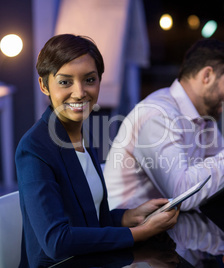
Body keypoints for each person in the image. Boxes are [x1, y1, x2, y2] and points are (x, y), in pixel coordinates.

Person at [15, 34, 180, 267]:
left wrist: (129, 216)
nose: (80, 92)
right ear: (44, 85)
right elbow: (56, 241)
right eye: (65, 82)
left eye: (89, 80)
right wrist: (140, 232)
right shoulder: (34, 148)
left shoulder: (81, 135)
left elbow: (87, 219)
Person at [103, 39, 224, 211]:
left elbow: (218, 169)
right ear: (207, 76)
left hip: (169, 225)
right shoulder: (158, 115)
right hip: (128, 229)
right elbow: (182, 195)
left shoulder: (202, 117)